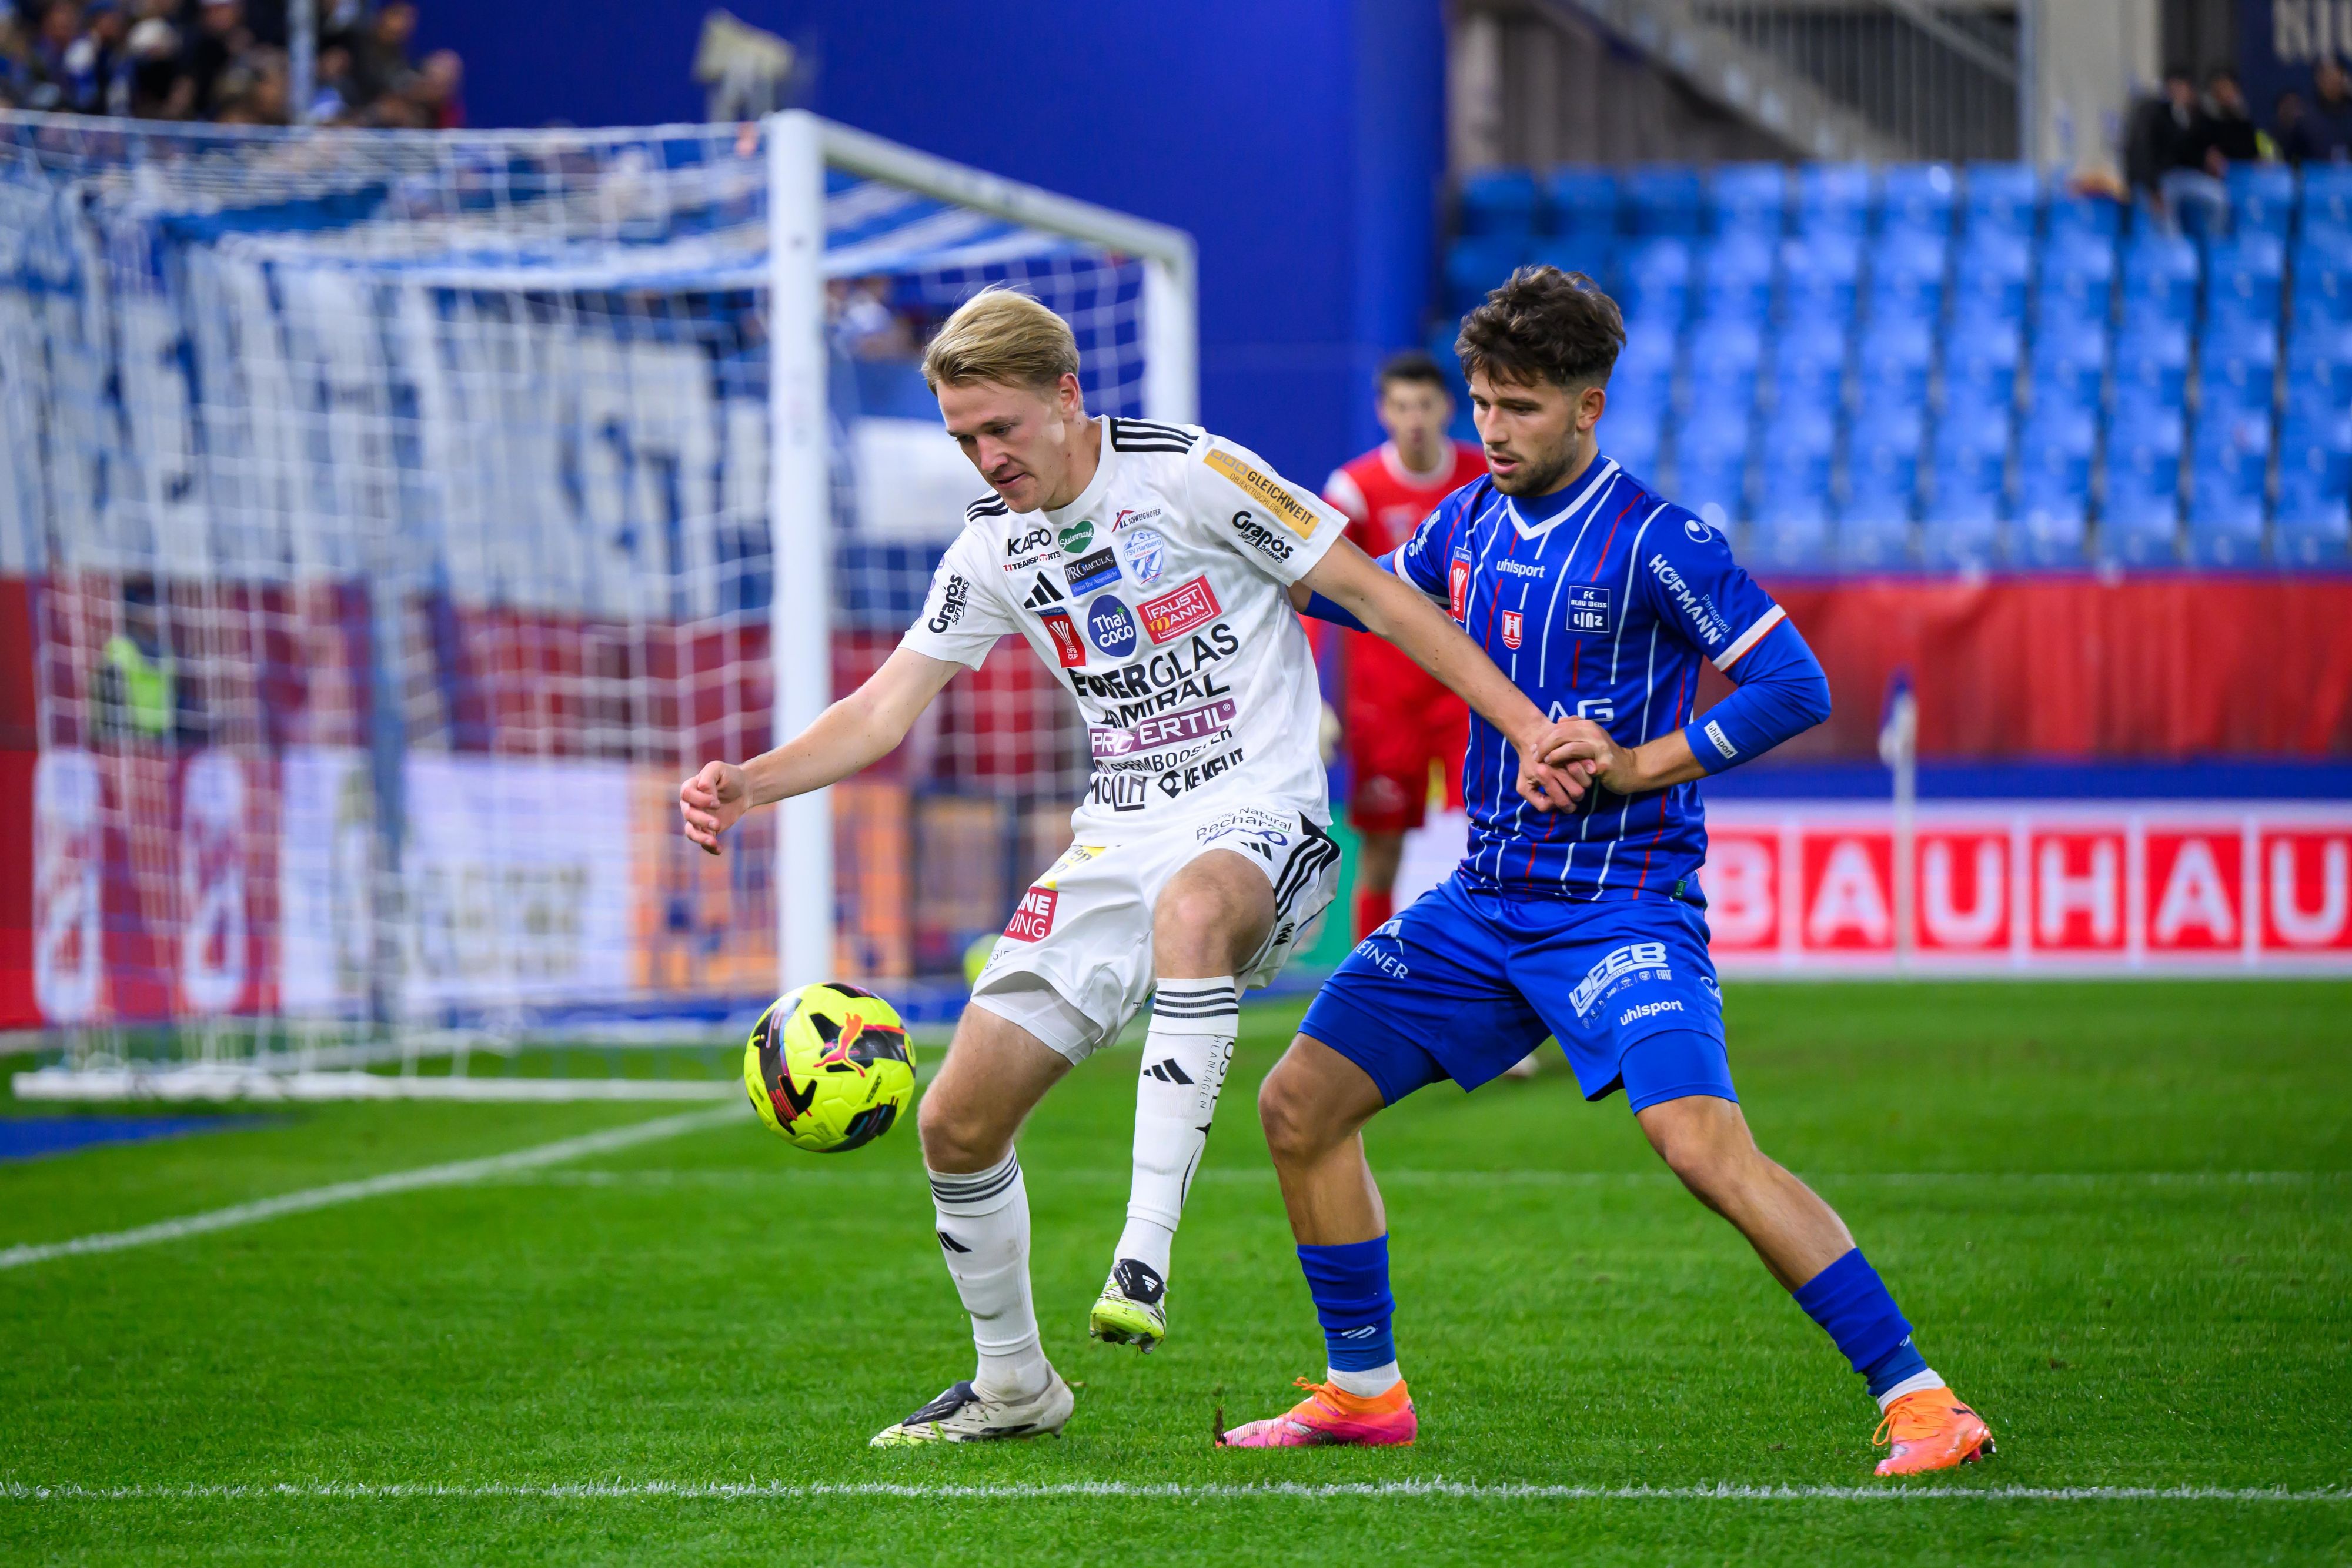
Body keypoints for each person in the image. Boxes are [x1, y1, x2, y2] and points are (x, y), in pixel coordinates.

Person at [677, 289, 1586, 1446]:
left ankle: (1142, 1254)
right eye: (963, 437)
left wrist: (1518, 722)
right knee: (954, 1122)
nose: (985, 455)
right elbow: (882, 706)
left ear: (1067, 395)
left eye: (999, 427)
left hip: (1261, 813)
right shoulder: (990, 543)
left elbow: (1370, 592)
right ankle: (1013, 1381)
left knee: (1194, 908)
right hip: (1117, 836)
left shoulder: (1192, 473)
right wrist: (750, 781)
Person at [1218, 266, 1995, 1479]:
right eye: (1479, 401)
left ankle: (1920, 1396)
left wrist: (1640, 763)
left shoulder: (1656, 540)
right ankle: (1362, 1388)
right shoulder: (1465, 523)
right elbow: (1377, 604)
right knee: (1296, 1106)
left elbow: (1795, 685)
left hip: (1619, 910)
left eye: (1518, 406)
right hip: (1483, 902)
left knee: (1699, 1144)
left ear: (1587, 406)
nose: (1489, 429)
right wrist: (1238, 554)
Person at [1321, 352, 1486, 941]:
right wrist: (1318, 698)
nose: (1413, 418)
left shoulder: (1481, 477)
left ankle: (1498, 961)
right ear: (1382, 412)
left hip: (1466, 692)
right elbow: (1322, 589)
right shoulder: (1354, 487)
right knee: (1382, 844)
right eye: (1401, 406)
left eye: (1424, 404)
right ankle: (1367, 973)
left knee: (1494, 832)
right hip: (1386, 701)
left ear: (1446, 408)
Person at [2127, 65, 2229, 235]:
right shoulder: (2156, 116)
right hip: (2163, 179)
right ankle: (2176, 253)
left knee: (2219, 198)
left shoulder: (2196, 117)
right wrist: (2154, 188)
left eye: (2183, 87)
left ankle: (2211, 249)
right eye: (2173, 87)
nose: (2178, 92)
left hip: (2187, 176)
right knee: (2167, 211)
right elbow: (2146, 154)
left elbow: (2194, 151)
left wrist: (2208, 159)